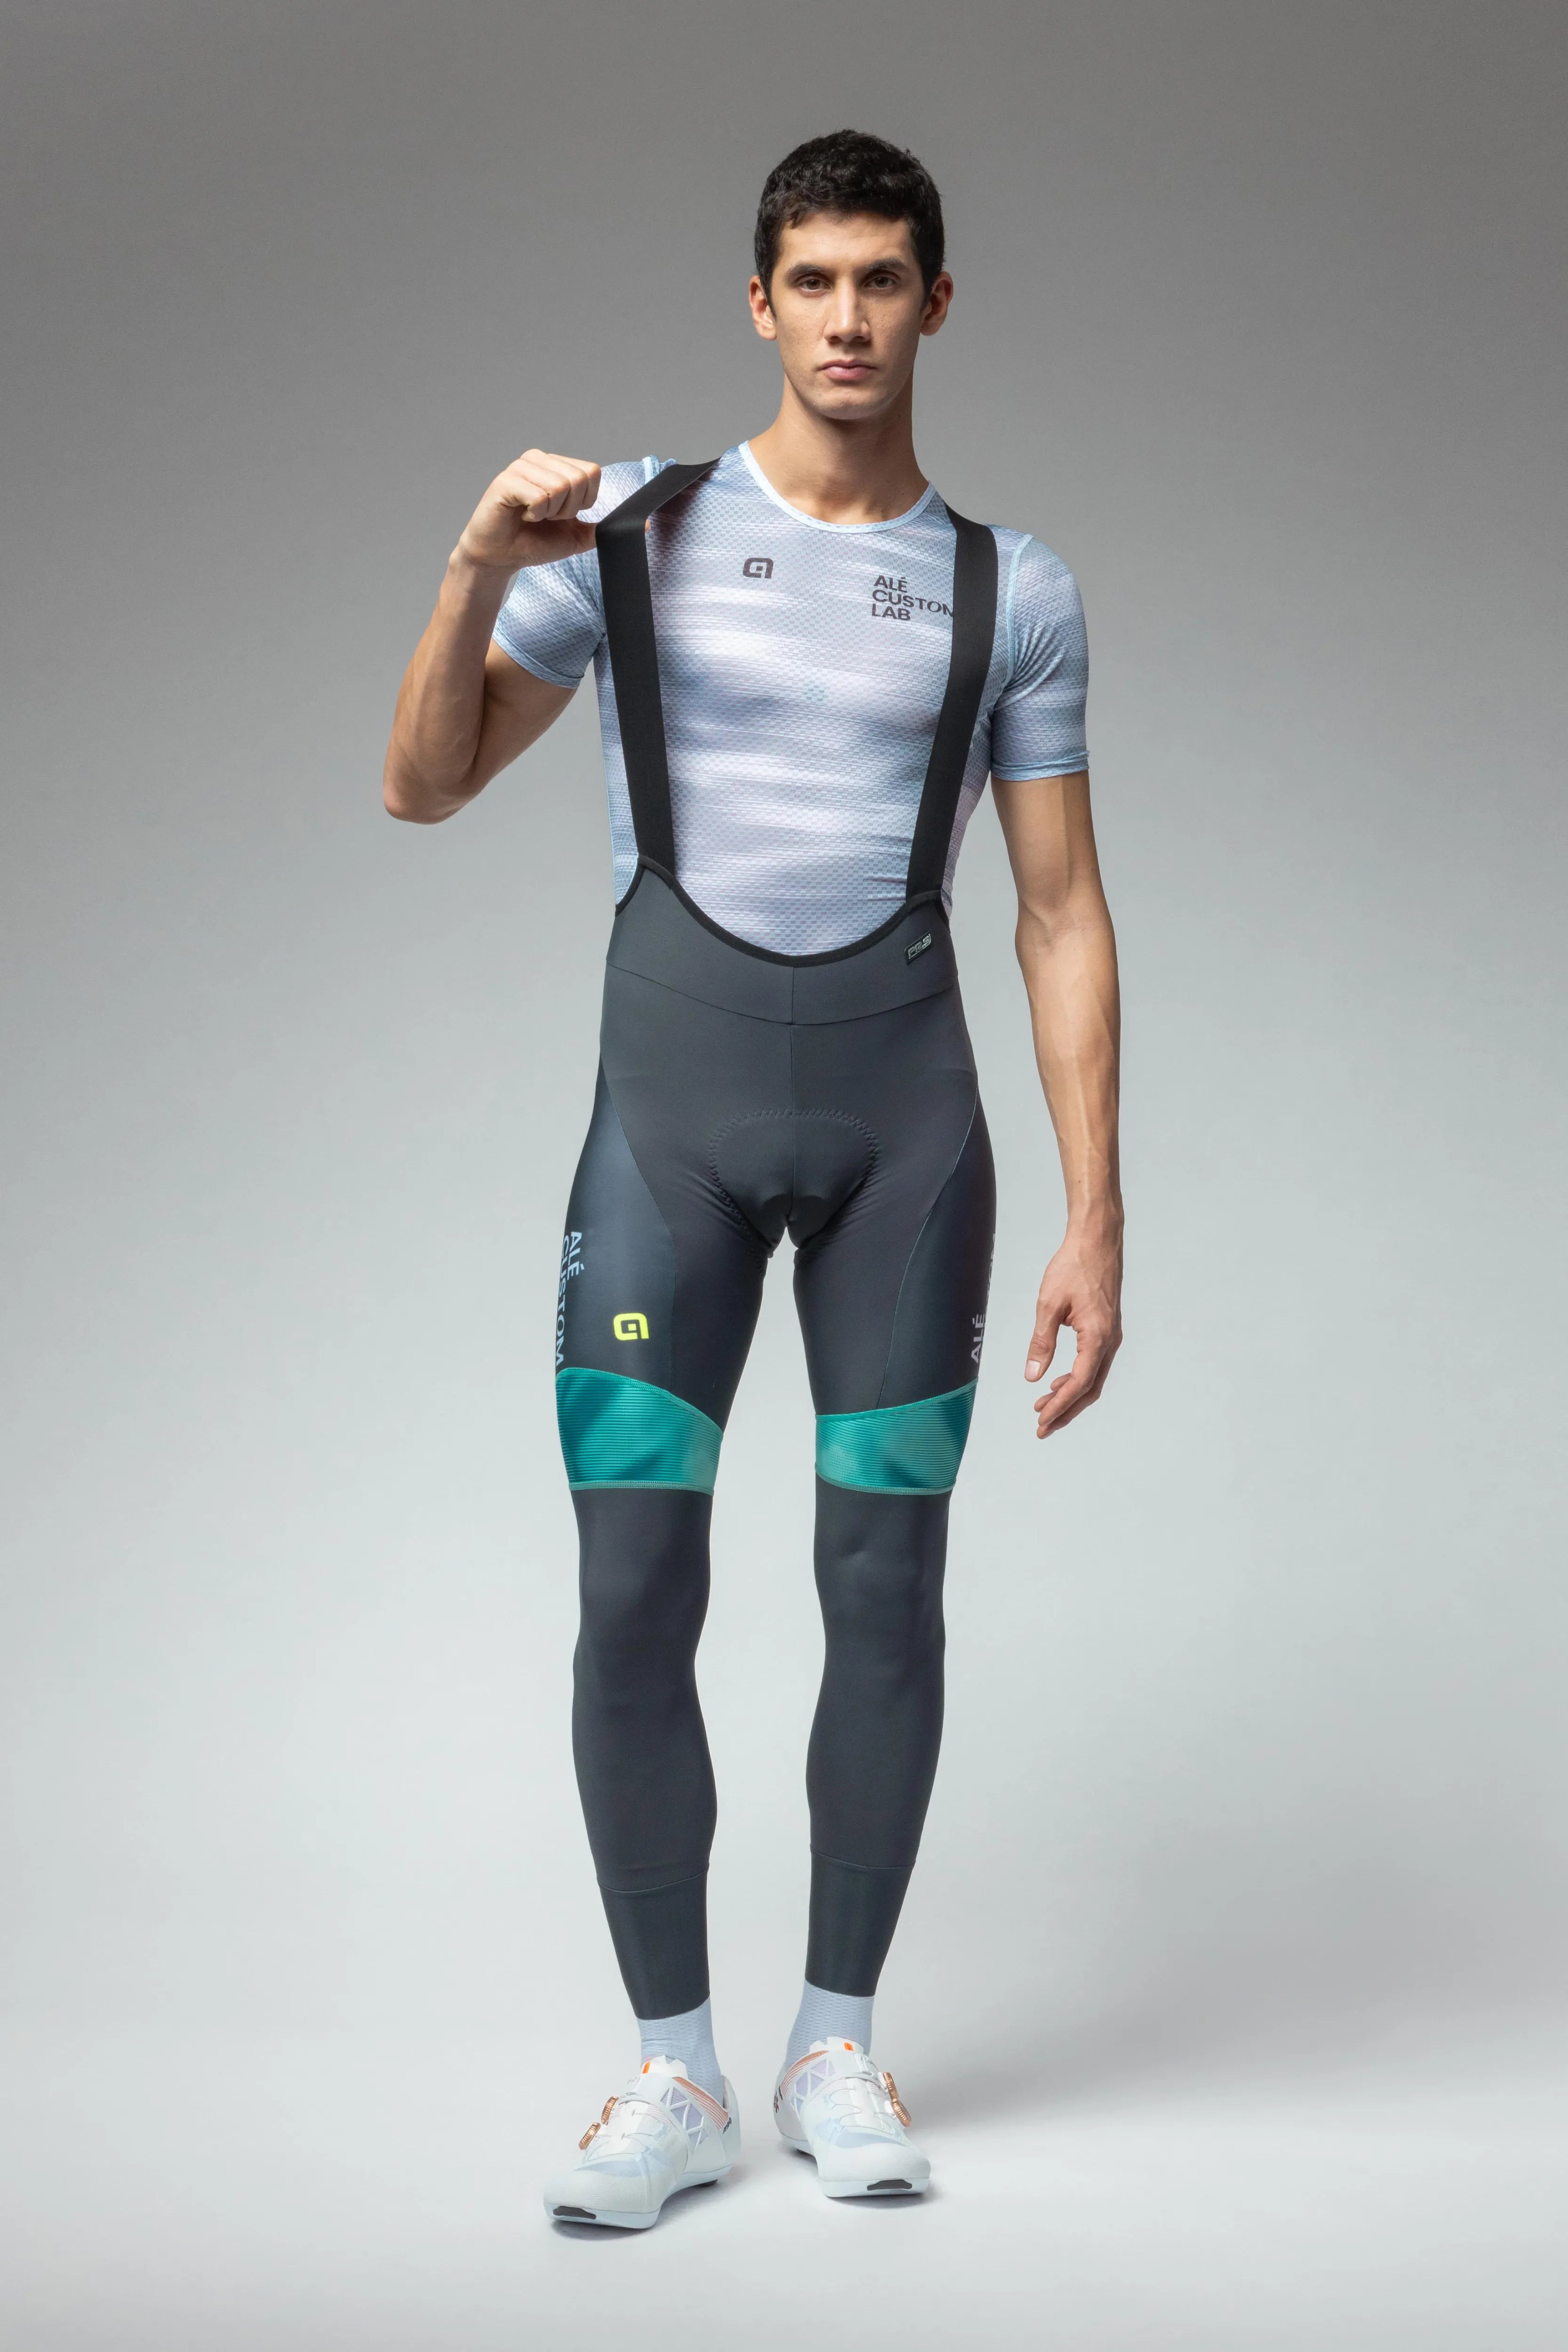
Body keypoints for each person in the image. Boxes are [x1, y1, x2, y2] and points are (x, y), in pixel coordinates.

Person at [383, 128, 1122, 2228]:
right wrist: (470, 565)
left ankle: (835, 2044)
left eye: (884, 279)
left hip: (910, 1143)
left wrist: (1098, 1208)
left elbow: (1060, 912)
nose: (848, 318)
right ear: (760, 303)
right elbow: (422, 785)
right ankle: (674, 2074)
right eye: (813, 280)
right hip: (668, 1133)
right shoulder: (629, 529)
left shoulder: (1012, 588)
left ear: (937, 303)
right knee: (634, 1589)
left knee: (886, 1584)